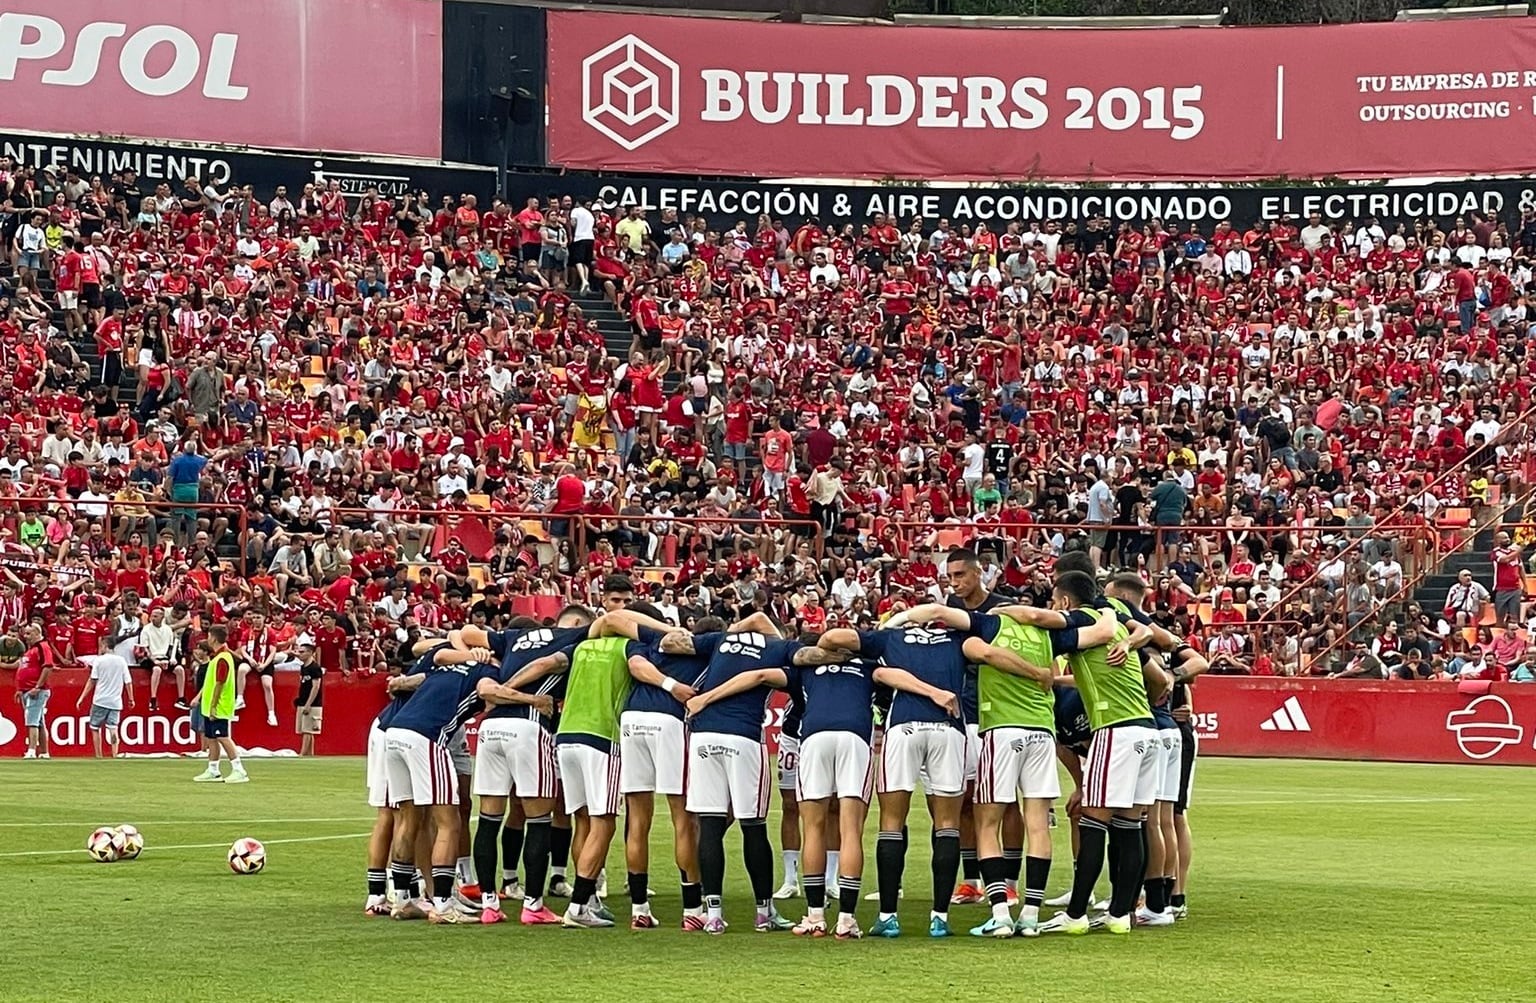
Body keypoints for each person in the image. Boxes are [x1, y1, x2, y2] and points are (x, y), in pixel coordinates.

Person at [899, 601, 1115, 937]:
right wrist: (1110, 610)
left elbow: (933, 612)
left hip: (1002, 730)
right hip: (1043, 732)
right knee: (1039, 825)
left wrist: (892, 622)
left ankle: (1000, 914)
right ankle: (1030, 916)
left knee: (987, 823)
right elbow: (1104, 631)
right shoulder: (1048, 635)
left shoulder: (987, 625)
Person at [505, 604, 678, 929]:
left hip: (566, 735)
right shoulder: (630, 646)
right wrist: (671, 685)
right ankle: (580, 904)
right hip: (600, 735)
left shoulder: (581, 646)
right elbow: (640, 667)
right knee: (605, 823)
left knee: (582, 820)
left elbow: (543, 663)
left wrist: (507, 689)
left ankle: (590, 899)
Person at [671, 621, 839, 934]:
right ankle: (764, 912)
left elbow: (673, 643)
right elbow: (806, 657)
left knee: (709, 825)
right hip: (744, 737)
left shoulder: (720, 639)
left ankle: (714, 914)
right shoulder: (781, 648)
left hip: (703, 735)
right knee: (753, 826)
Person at [1037, 571, 1159, 935]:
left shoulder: (1082, 624)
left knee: (1093, 821)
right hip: (1146, 728)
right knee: (1130, 824)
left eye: (1055, 600)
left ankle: (1075, 916)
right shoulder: (1121, 626)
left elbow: (1044, 624)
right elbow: (1147, 639)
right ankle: (1121, 915)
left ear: (1065, 601)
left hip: (1115, 728)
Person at [456, 610, 596, 925]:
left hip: (491, 729)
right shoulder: (572, 637)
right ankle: (533, 905)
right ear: (576, 623)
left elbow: (465, 632)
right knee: (538, 819)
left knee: (489, 818)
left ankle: (490, 903)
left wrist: (480, 660)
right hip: (529, 727)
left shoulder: (512, 637)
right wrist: (516, 691)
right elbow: (546, 664)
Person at [380, 638, 514, 923]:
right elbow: (487, 691)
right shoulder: (487, 671)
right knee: (449, 821)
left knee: (407, 819)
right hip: (427, 738)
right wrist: (530, 699)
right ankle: (442, 903)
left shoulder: (448, 666)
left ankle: (403, 899)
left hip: (394, 734)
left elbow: (434, 654)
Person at [193, 624, 248, 784]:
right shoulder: (218, 657)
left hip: (219, 705)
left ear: (214, 638)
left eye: (209, 636)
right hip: (211, 704)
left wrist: (213, 706)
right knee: (211, 737)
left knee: (223, 736)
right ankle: (213, 770)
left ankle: (239, 769)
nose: (207, 639)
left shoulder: (223, 658)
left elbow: (219, 683)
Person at [77, 634, 133, 758]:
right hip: (115, 701)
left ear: (105, 645)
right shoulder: (121, 661)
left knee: (95, 727)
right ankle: (114, 753)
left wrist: (82, 697)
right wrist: (131, 698)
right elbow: (128, 681)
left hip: (100, 700)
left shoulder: (99, 661)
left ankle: (98, 755)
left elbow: (92, 680)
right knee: (113, 727)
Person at [16, 623, 56, 758]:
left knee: (31, 720)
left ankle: (32, 750)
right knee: (39, 721)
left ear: (38, 633)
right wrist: (20, 689)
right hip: (28, 689)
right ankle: (44, 752)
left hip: (36, 690)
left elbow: (48, 667)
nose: (26, 637)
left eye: (29, 634)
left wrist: (38, 686)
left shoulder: (42, 647)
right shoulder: (31, 649)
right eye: (25, 634)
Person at [294, 640, 323, 757]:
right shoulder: (303, 667)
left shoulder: (315, 668)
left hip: (312, 703)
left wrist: (308, 704)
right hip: (303, 700)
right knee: (306, 728)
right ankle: (310, 753)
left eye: (302, 652)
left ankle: (302, 753)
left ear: (310, 653)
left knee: (308, 729)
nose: (299, 654)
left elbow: (316, 687)